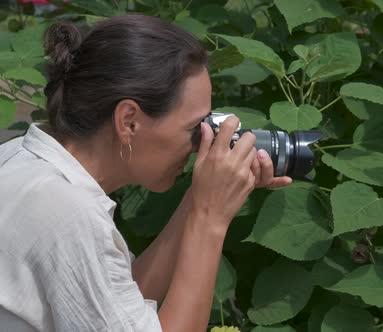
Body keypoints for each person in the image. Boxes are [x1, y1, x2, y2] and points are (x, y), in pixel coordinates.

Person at [0, 14, 292, 331]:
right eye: (194, 128)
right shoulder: (66, 214)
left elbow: (117, 309)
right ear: (128, 121)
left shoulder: (21, 159)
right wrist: (210, 219)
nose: (200, 144)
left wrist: (200, 197)